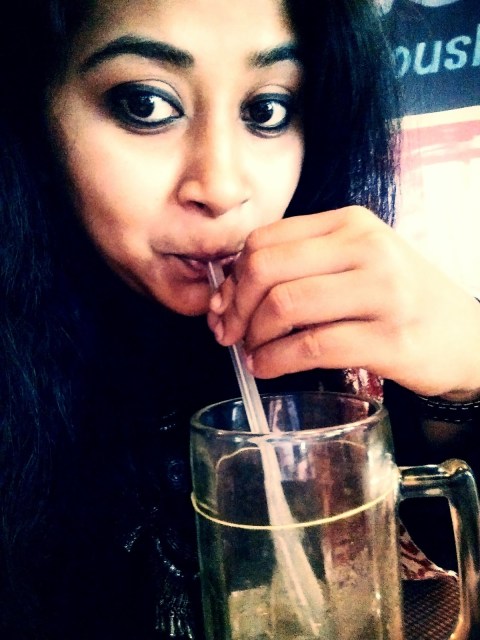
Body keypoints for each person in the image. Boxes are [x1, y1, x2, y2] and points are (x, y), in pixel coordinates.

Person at [0, 0, 479, 638]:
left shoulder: (338, 347)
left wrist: (464, 382)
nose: (224, 188)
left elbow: (430, 539)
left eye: (267, 110)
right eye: (145, 104)